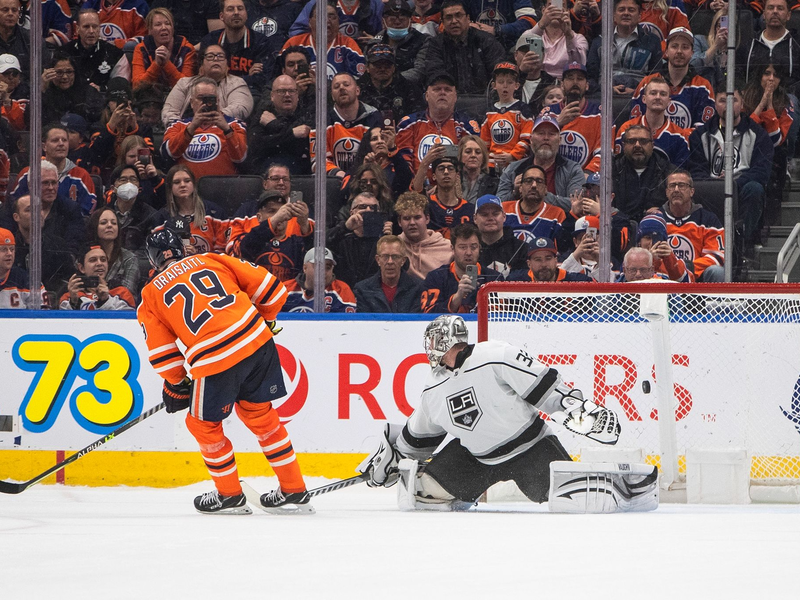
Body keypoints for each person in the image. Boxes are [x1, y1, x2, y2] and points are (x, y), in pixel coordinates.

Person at [357, 314, 620, 510]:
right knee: (421, 495)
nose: (429, 347)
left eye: (432, 340)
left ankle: (621, 487)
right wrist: (393, 458)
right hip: (476, 460)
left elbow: (542, 386)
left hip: (531, 450)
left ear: (442, 340)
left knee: (573, 501)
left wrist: (571, 406)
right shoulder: (433, 388)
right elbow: (419, 438)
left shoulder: (495, 355)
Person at [137, 226, 312, 514]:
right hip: (258, 342)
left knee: (202, 425)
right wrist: (265, 320)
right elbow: (273, 290)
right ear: (181, 250)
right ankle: (293, 488)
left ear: (154, 262)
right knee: (261, 415)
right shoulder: (211, 259)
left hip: (214, 358)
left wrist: (177, 384)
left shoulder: (150, 294)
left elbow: (163, 356)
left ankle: (229, 495)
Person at [688, 87, 774, 252]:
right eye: (722, 101)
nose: (728, 105)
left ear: (741, 103)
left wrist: (733, 183)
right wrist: (715, 185)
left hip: (742, 190)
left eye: (733, 100)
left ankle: (742, 244)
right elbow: (696, 170)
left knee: (755, 189)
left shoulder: (758, 134)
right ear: (714, 104)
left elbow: (762, 171)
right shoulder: (700, 135)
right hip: (710, 192)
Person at [161, 77, 248, 179]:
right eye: (201, 98)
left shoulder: (234, 124)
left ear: (218, 101)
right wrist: (192, 127)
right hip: (188, 189)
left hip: (223, 188)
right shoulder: (177, 125)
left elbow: (241, 158)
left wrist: (226, 129)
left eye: (210, 98)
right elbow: (167, 155)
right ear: (192, 102)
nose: (205, 103)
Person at [629, 27, 715, 130]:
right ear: (666, 52)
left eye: (685, 47)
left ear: (692, 53)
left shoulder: (703, 87)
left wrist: (674, 138)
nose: (679, 51)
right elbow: (635, 125)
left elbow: (703, 131)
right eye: (674, 46)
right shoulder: (647, 83)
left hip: (687, 146)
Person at [496, 114, 585, 211]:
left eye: (551, 134)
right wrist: (515, 193)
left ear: (559, 140)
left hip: (559, 224)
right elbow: (497, 205)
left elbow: (576, 205)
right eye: (540, 133)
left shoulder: (572, 169)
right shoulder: (513, 169)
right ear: (531, 140)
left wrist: (541, 194)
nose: (546, 138)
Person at [396, 71, 480, 174]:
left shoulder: (467, 126)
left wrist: (447, 184)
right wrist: (417, 185)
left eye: (448, 89)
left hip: (456, 187)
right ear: (426, 96)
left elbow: (473, 163)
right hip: (415, 187)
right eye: (437, 89)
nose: (442, 92)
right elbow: (403, 163)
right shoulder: (408, 124)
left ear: (455, 97)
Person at [228, 188, 313, 282]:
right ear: (259, 217)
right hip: (255, 293)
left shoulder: (297, 244)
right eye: (272, 211)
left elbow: (315, 258)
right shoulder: (247, 239)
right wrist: (276, 219)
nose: (280, 214)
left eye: (282, 210)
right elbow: (245, 247)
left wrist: (304, 224)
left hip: (288, 294)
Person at [422, 0, 506, 95]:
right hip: (448, 99)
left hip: (486, 100)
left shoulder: (486, 41)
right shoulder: (436, 44)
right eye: (449, 17)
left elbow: (499, 73)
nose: (454, 21)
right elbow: (435, 76)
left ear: (468, 18)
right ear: (443, 22)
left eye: (458, 15)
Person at [12, 124, 97, 216]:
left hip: (69, 228)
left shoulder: (81, 175)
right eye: (55, 140)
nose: (61, 144)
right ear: (44, 146)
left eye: (64, 140)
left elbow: (87, 213)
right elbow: (14, 207)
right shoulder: (28, 173)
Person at [161, 45, 254, 127]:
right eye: (210, 56)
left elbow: (241, 107)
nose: (216, 59)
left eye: (220, 56)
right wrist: (181, 127)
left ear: (227, 65)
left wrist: (210, 120)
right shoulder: (183, 83)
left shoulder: (237, 83)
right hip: (185, 132)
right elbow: (169, 111)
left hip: (221, 132)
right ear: (201, 64)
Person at [200, 0, 279, 96]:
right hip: (214, 92)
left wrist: (221, 77)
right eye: (230, 9)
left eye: (240, 9)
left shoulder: (261, 42)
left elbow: (261, 80)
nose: (236, 12)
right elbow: (205, 76)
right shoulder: (210, 41)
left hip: (249, 94)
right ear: (221, 16)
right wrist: (246, 77)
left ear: (246, 15)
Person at [659, 169, 725, 282]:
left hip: (697, 278)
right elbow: (648, 256)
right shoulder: (656, 219)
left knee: (717, 271)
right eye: (672, 186)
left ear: (692, 191)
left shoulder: (708, 220)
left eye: (682, 185)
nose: (676, 190)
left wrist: (686, 269)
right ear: (666, 192)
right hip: (663, 278)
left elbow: (717, 256)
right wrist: (674, 270)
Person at [310, 72, 381, 176]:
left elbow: (379, 155)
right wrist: (340, 175)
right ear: (332, 96)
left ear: (357, 90)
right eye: (336, 86)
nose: (342, 88)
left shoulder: (374, 117)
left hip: (366, 178)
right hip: (334, 182)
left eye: (346, 85)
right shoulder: (321, 120)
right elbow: (317, 162)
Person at [420, 222, 501, 313]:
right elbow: (427, 314)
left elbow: (502, 314)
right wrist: (457, 297)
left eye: (473, 247)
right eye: (463, 247)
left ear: (479, 248)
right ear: (452, 249)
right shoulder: (436, 277)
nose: (469, 253)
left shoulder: (494, 278)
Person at [586, 0, 662, 96]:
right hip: (604, 97)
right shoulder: (599, 42)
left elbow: (656, 77)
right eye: (621, 10)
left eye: (631, 10)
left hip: (639, 98)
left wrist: (637, 91)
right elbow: (590, 78)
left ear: (639, 16)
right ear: (614, 15)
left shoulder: (652, 41)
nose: (626, 13)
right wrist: (605, 89)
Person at [616, 75, 691, 168]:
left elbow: (679, 175)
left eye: (663, 94)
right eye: (653, 93)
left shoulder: (679, 136)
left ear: (669, 101)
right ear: (644, 99)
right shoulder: (626, 129)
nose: (658, 97)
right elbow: (618, 167)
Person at [280, 1, 365, 81]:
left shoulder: (349, 45)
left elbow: (356, 83)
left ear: (339, 22)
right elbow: (278, 79)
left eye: (332, 17)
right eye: (321, 16)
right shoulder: (294, 43)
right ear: (309, 22)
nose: (327, 21)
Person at [8, 194, 75, 296]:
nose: (37, 214)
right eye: (29, 210)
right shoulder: (8, 248)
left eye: (40, 209)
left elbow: (68, 279)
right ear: (16, 217)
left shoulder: (58, 245)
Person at [540, 61, 601, 172]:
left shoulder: (600, 114)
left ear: (587, 85)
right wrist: (557, 123)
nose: (575, 82)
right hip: (552, 175)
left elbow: (604, 152)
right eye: (570, 78)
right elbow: (537, 147)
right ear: (562, 85)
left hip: (586, 178)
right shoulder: (548, 112)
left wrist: (587, 175)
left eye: (580, 79)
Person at [153, 165, 229, 253]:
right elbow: (159, 253)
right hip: (177, 265)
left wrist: (197, 257)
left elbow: (223, 251)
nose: (182, 185)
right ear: (170, 188)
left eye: (187, 181)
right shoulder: (162, 218)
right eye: (177, 182)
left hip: (210, 265)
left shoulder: (215, 213)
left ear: (193, 184)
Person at [247, 74, 311, 175]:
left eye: (291, 91)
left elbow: (301, 146)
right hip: (265, 172)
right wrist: (292, 133)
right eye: (281, 91)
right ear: (272, 96)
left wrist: (274, 124)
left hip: (299, 173)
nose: (287, 95)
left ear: (297, 95)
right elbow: (256, 145)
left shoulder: (306, 114)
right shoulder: (262, 113)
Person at [327, 191, 391, 287]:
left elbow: (403, 265)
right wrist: (345, 227)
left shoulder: (383, 240)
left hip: (374, 294)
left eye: (373, 208)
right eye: (362, 207)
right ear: (352, 212)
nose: (368, 210)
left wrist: (389, 240)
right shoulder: (341, 237)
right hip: (346, 292)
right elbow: (318, 245)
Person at [480, 63, 532, 176]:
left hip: (516, 164)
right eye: (500, 82)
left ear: (516, 85)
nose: (505, 86)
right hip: (492, 165)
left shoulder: (523, 109)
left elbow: (527, 139)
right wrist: (486, 161)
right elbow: (484, 142)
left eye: (510, 82)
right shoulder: (489, 111)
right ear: (494, 85)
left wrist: (512, 156)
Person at [737, 0, 800, 91]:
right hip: (752, 98)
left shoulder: (797, 44)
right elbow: (737, 75)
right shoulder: (749, 44)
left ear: (788, 15)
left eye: (780, 8)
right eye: (770, 8)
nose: (775, 11)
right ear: (764, 14)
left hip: (788, 99)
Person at [612, 124, 672, 221]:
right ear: (624, 146)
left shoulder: (669, 172)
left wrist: (663, 211)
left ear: (652, 145)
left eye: (643, 141)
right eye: (631, 141)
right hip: (617, 227)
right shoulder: (611, 170)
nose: (637, 145)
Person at [131, 8, 197, 93]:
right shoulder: (141, 49)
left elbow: (187, 87)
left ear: (173, 27)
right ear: (150, 30)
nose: (164, 28)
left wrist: (167, 64)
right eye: (158, 24)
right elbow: (137, 87)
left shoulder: (187, 49)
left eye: (168, 24)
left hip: (180, 97)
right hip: (150, 98)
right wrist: (156, 64)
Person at [63, 9, 130, 92]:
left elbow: (121, 87)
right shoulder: (64, 52)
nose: (91, 31)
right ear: (77, 29)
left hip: (103, 101)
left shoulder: (116, 55)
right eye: (86, 26)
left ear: (99, 28)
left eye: (95, 27)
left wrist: (101, 89)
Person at [354, 234, 423, 313]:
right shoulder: (362, 289)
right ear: (378, 260)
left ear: (403, 261)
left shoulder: (418, 288)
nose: (390, 262)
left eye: (395, 257)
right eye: (385, 256)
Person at [501, 164, 567, 247]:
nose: (534, 185)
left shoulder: (557, 214)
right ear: (520, 188)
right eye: (528, 181)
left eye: (539, 181)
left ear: (546, 190)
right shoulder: (504, 209)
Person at [520, 1, 588, 79]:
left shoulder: (578, 39)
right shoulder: (531, 34)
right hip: (536, 84)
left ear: (567, 12)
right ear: (543, 10)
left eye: (561, 7)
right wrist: (541, 24)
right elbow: (521, 52)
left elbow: (579, 65)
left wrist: (568, 34)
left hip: (564, 85)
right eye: (551, 6)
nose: (555, 10)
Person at [356, 43, 422, 125]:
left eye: (387, 65)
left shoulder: (410, 89)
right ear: (367, 68)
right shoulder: (356, 89)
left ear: (394, 67)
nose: (383, 69)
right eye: (377, 65)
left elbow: (418, 120)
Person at [394, 191, 453, 280]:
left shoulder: (448, 247)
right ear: (399, 222)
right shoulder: (395, 247)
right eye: (407, 218)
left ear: (427, 219)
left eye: (417, 217)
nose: (412, 223)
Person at [60, 244, 136, 310]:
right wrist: (74, 303)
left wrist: (105, 300)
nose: (99, 263)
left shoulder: (122, 293)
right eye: (93, 260)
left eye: (103, 260)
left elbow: (125, 322)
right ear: (81, 268)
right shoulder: (69, 296)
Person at [281, 247, 357, 312]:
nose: (322, 272)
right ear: (305, 268)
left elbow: (345, 325)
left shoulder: (341, 290)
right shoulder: (285, 289)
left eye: (328, 267)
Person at [88, 206, 142, 298]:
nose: (109, 225)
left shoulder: (129, 258)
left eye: (114, 223)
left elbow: (128, 294)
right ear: (94, 227)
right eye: (103, 223)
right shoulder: (85, 256)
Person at [349, 125, 413, 199]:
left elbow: (405, 181)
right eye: (374, 139)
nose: (380, 141)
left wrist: (392, 148)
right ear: (367, 144)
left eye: (383, 138)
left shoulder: (398, 165)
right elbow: (348, 191)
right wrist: (364, 169)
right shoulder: (357, 165)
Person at [370, 0, 427, 81]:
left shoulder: (423, 41)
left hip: (412, 88)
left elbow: (420, 71)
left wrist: (391, 80)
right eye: (392, 19)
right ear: (383, 22)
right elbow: (368, 70)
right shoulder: (374, 43)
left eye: (402, 19)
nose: (397, 22)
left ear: (410, 21)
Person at [474, 194, 528, 278]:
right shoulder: (470, 250)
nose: (490, 218)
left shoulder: (521, 248)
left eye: (495, 214)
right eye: (484, 215)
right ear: (475, 219)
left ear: (504, 216)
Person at [41, 54, 105, 126]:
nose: (64, 77)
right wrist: (42, 90)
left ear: (75, 73)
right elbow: (33, 119)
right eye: (59, 72)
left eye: (69, 72)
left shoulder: (89, 92)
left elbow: (97, 120)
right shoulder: (45, 93)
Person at [422, 153, 473, 237]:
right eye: (441, 169)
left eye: (450, 168)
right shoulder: (426, 205)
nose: (446, 172)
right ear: (434, 176)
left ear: (457, 176)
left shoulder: (469, 208)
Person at [635, 214, 693, 282]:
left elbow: (689, 285)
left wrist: (670, 260)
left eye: (656, 238)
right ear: (639, 241)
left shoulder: (675, 260)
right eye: (647, 238)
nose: (651, 243)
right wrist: (651, 261)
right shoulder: (630, 260)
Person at [507, 236, 593, 282]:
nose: (544, 264)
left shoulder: (578, 281)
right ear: (529, 264)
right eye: (538, 259)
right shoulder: (515, 280)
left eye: (548, 258)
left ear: (556, 260)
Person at [289, 0, 384, 40]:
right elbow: (296, 32)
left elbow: (385, 36)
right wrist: (318, 39)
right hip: (327, 54)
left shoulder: (375, 4)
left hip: (365, 57)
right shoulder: (319, 3)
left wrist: (375, 41)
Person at [0, 227, 45, 308]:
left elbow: (44, 312)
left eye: (12, 249)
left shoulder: (25, 279)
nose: (9, 253)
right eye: (4, 249)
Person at [513, 35, 557, 114]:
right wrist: (521, 74)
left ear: (543, 55)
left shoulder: (554, 83)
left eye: (535, 51)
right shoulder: (506, 81)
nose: (530, 55)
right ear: (516, 55)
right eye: (525, 51)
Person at [149, 0, 222, 45]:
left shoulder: (211, 2)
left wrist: (188, 51)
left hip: (201, 52)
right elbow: (153, 34)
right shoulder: (161, 2)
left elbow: (216, 38)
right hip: (169, 50)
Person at [690, 8, 730, 89]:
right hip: (706, 89)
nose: (724, 30)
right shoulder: (699, 41)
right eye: (719, 26)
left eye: (728, 26)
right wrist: (715, 46)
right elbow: (693, 67)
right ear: (715, 27)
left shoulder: (739, 49)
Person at [83, 0, 149, 44]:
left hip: (127, 59)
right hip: (95, 57)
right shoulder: (90, 6)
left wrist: (117, 43)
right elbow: (79, 35)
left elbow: (144, 38)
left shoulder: (138, 6)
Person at [459, 135, 499, 204]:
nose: (473, 155)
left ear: (483, 157)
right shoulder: (451, 180)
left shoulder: (494, 183)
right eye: (468, 152)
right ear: (460, 155)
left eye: (478, 152)